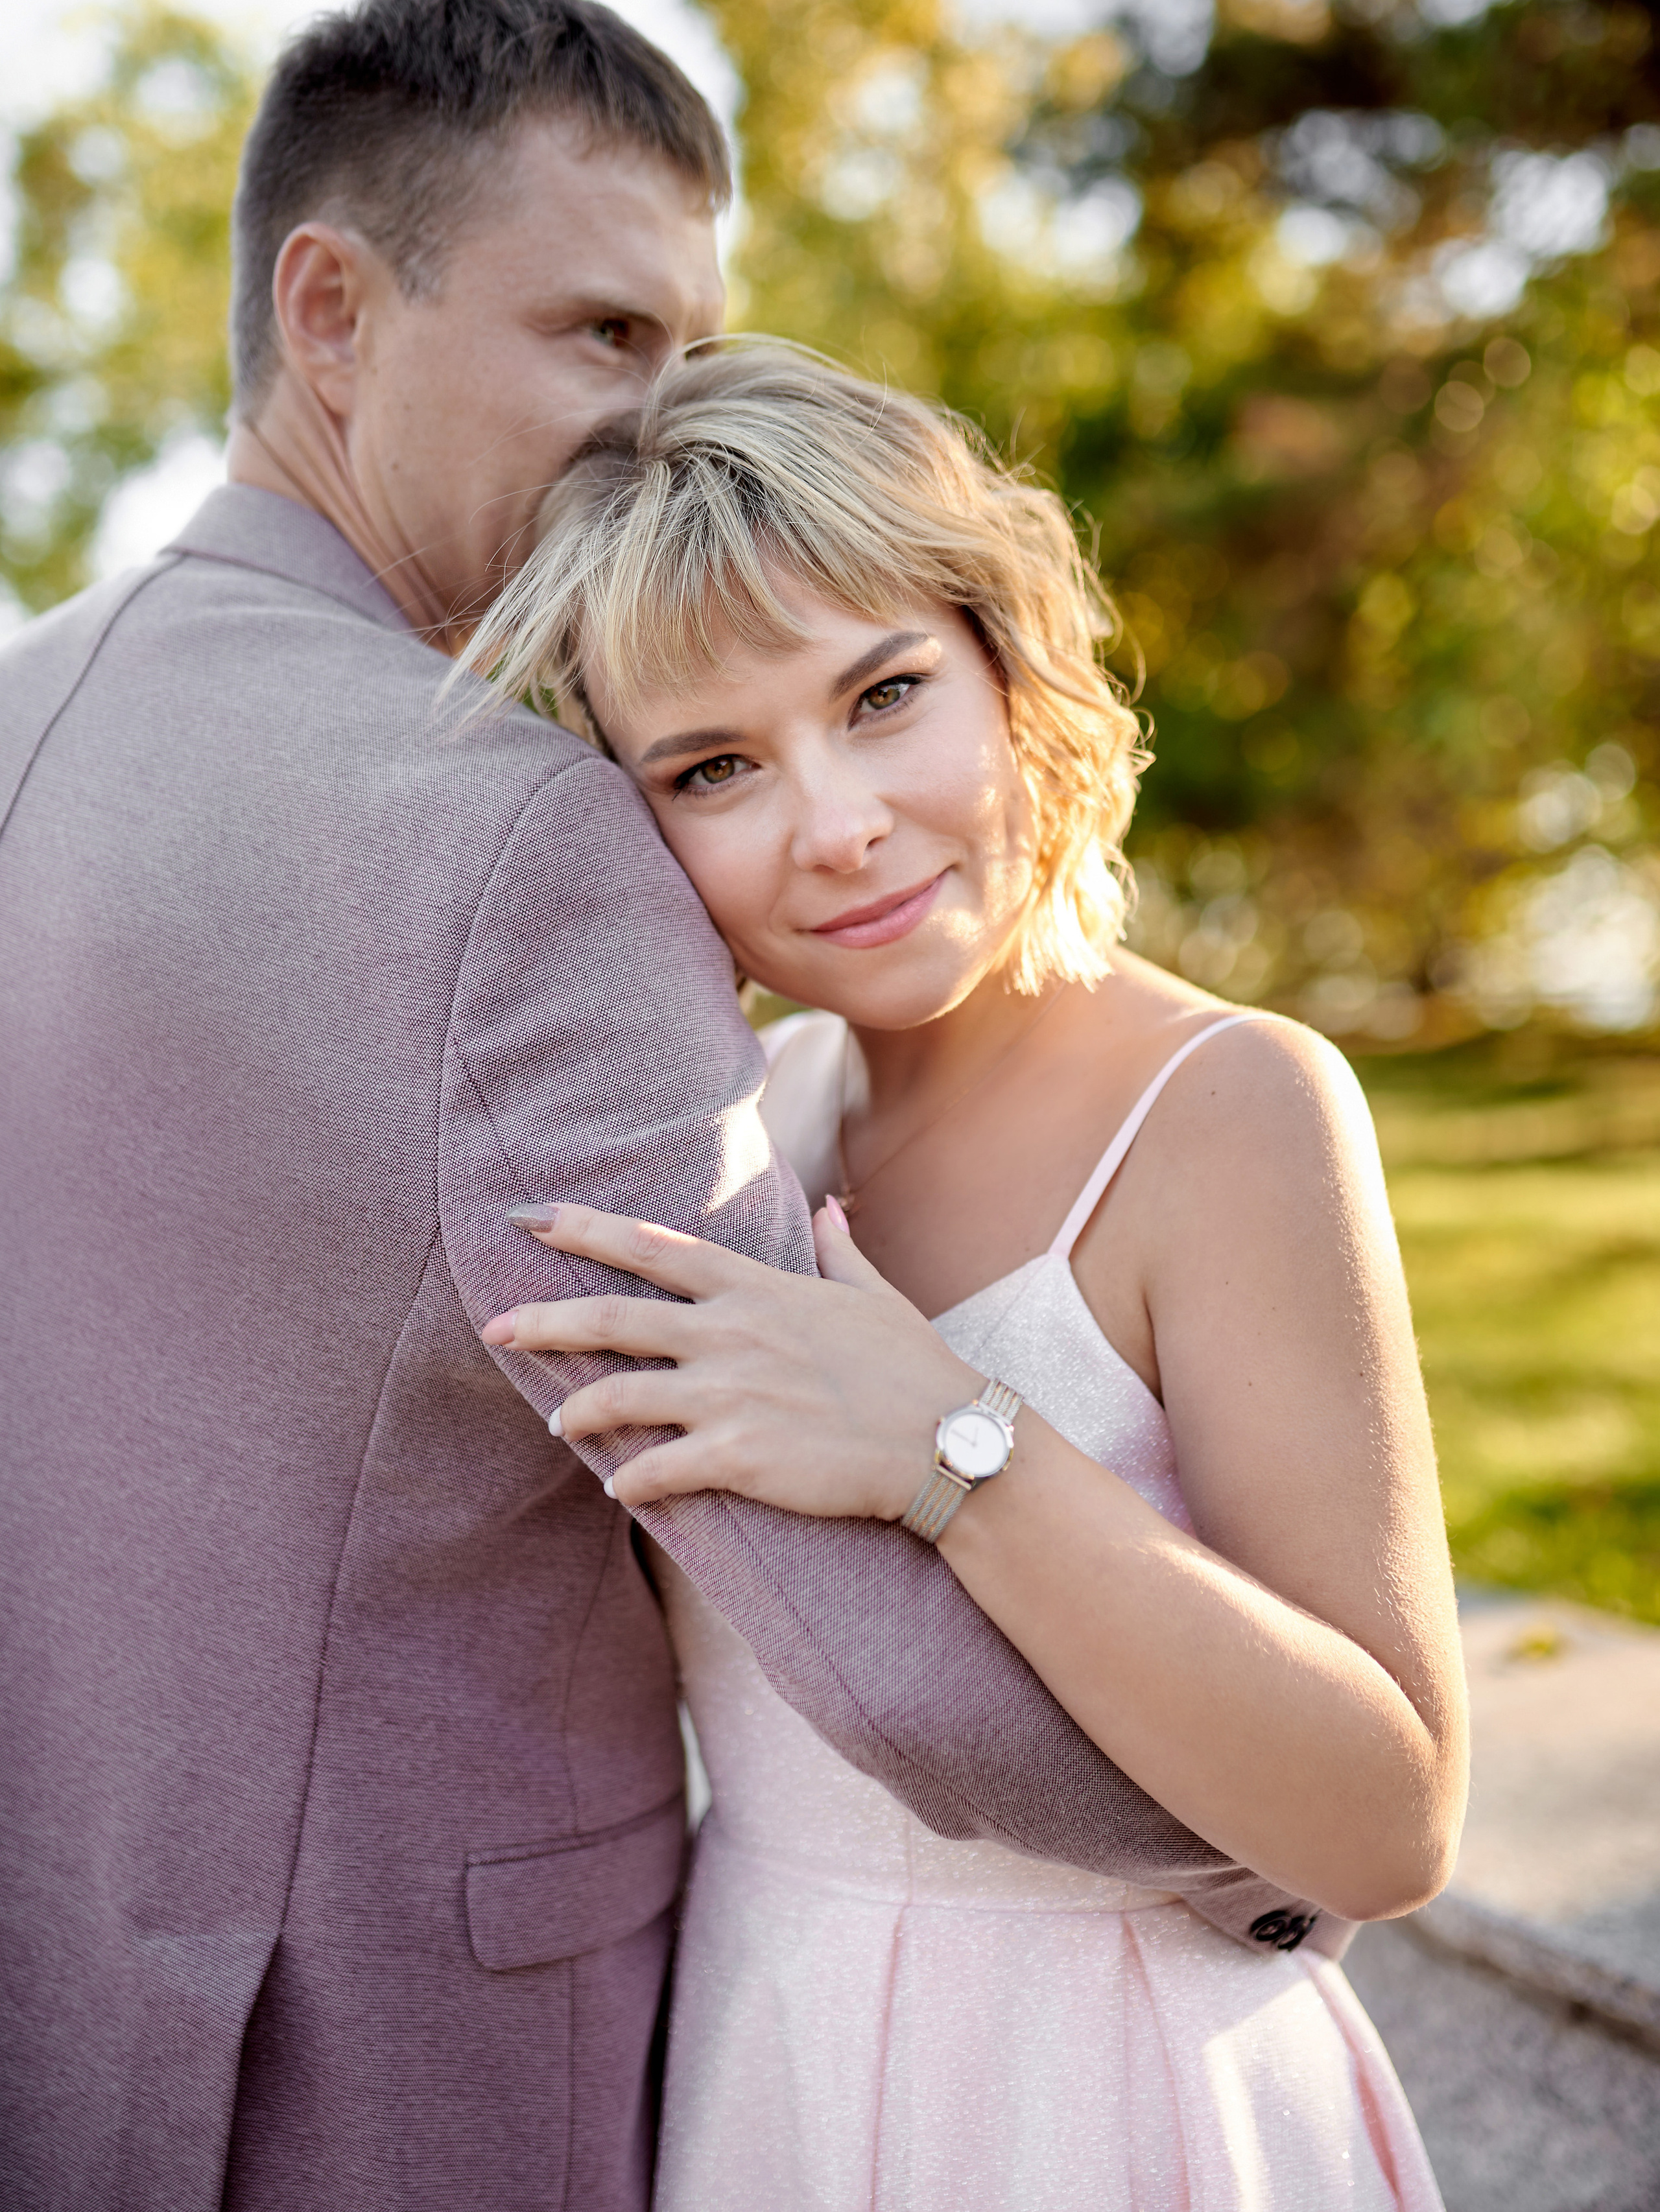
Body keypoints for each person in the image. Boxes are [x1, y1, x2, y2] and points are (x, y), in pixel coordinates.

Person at [0, 8, 1333, 2209]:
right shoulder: (513, 832)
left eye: (696, 337)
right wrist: (1271, 1855)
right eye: (605, 329)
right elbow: (846, 1621)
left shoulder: (26, 702)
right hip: (408, 2045)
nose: (667, 417)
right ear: (331, 312)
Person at [467, 342, 1469, 2208]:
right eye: (714, 766)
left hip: (1120, 2087)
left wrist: (945, 1433)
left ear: (1009, 666)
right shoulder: (736, 1134)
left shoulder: (1231, 1105)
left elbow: (1386, 1813)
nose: (834, 820)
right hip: (770, 2055)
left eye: (885, 693)